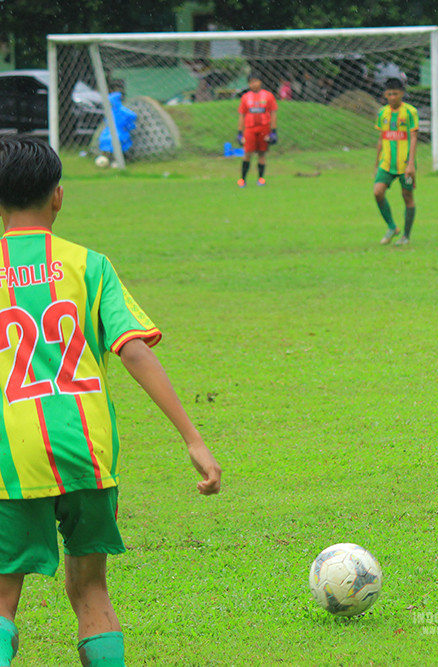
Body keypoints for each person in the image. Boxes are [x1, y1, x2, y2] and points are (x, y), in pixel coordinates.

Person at [0, 136, 222, 666]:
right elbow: (134, 351)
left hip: (12, 457)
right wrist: (193, 438)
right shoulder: (90, 265)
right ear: (58, 196)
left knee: (4, 598)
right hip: (88, 452)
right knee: (91, 591)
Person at [373, 78, 418, 246]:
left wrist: (411, 164)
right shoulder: (382, 113)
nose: (392, 97)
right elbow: (380, 139)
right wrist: (376, 164)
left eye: (395, 94)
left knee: (407, 196)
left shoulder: (410, 112)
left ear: (402, 94)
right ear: (385, 94)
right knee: (377, 192)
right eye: (389, 94)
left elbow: (413, 137)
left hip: (405, 163)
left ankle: (405, 236)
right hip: (386, 164)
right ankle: (392, 226)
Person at [237, 73, 278, 187]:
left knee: (262, 153)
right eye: (251, 82)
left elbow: (273, 113)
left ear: (260, 82)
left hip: (264, 128)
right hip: (250, 128)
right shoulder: (245, 97)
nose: (254, 84)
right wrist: (240, 132)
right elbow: (242, 114)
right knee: (247, 153)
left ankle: (261, 179)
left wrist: (274, 131)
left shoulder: (268, 96)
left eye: (256, 81)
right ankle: (243, 179)